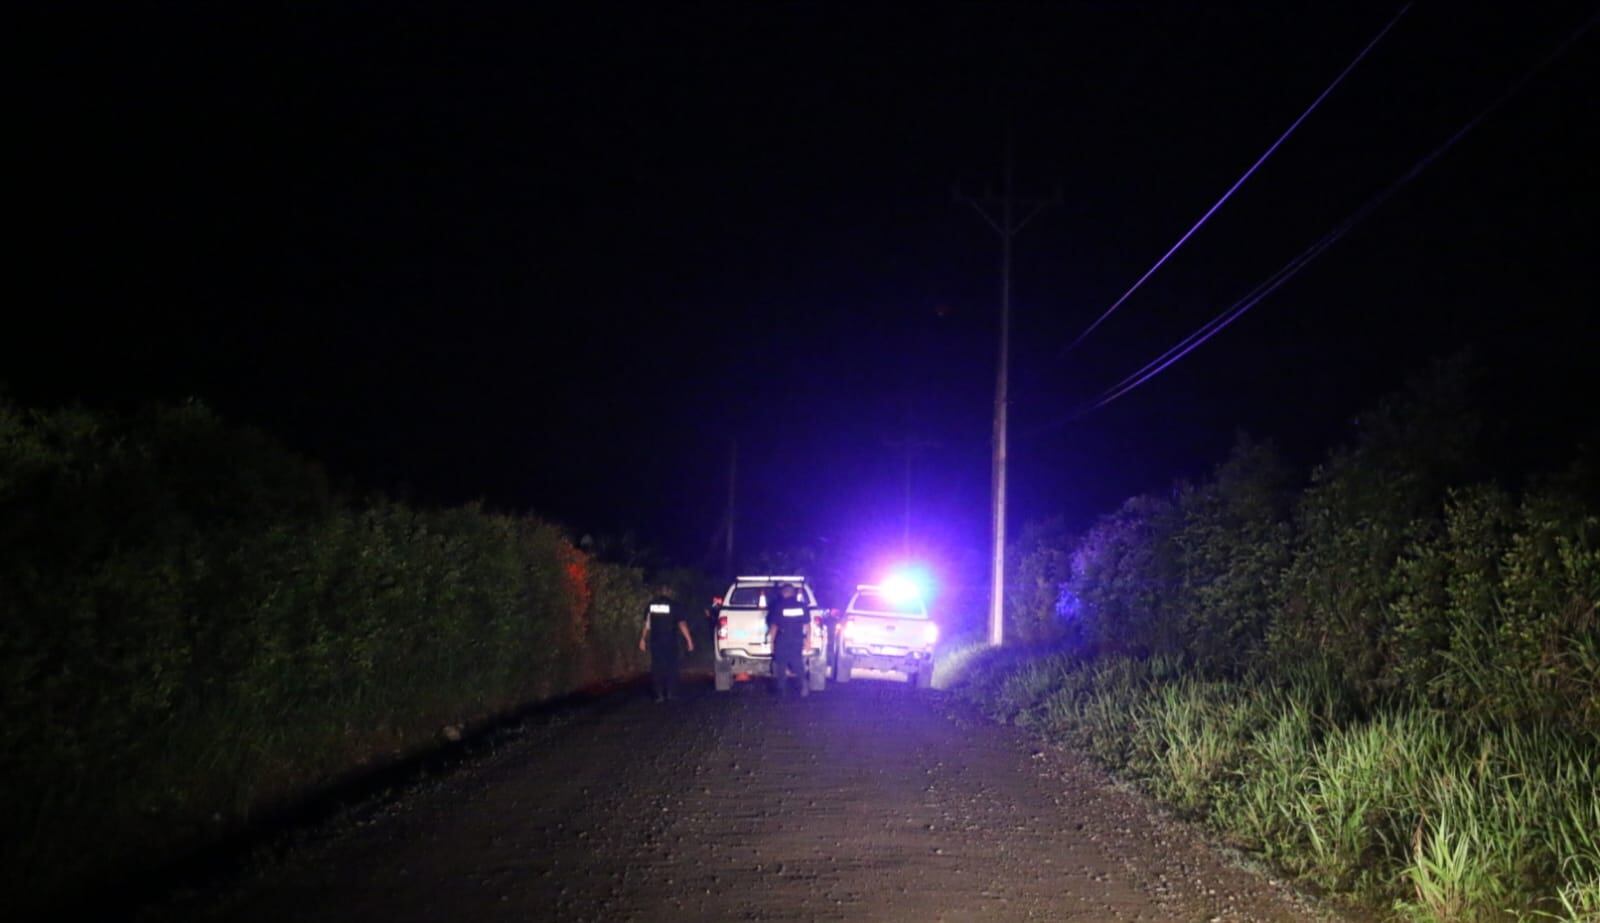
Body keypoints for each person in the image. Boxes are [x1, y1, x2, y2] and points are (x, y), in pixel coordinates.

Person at [639, 586, 693, 701]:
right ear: (670, 593)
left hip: (656, 642)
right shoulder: (674, 605)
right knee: (671, 667)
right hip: (670, 642)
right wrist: (689, 640)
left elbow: (647, 625)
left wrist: (642, 639)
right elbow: (682, 624)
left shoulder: (651, 606)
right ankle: (670, 693)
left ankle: (658, 695)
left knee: (657, 667)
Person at [765, 582, 809, 697]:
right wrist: (808, 640)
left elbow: (774, 626)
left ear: (783, 593)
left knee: (781, 664)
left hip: (783, 638)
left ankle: (781, 690)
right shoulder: (802, 606)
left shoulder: (779, 606)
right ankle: (803, 684)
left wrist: (771, 642)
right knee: (797, 662)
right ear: (793, 593)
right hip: (797, 638)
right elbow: (808, 625)